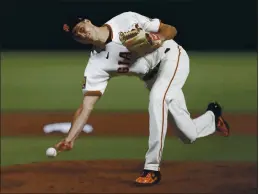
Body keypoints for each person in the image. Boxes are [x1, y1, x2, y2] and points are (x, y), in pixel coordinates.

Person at [55, 11, 230, 186]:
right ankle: (212, 118)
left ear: (88, 21)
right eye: (75, 35)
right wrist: (70, 138)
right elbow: (86, 106)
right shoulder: (96, 65)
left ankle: (152, 168)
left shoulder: (125, 19)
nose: (80, 33)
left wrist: (159, 37)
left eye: (80, 28)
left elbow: (171, 29)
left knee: (157, 98)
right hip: (153, 79)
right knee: (187, 135)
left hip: (171, 57)